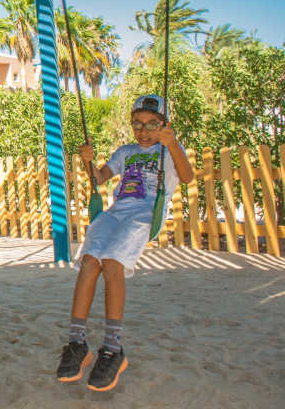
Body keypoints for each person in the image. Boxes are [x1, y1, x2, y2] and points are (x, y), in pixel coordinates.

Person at [56, 94, 193, 391]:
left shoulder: (168, 151)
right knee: (90, 262)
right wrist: (88, 161)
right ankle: (77, 342)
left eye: (151, 125)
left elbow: (187, 175)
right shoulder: (126, 151)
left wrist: (172, 143)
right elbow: (101, 177)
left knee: (113, 262)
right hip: (115, 213)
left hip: (145, 214)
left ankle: (113, 347)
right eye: (137, 124)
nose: (144, 131)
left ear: (164, 125)